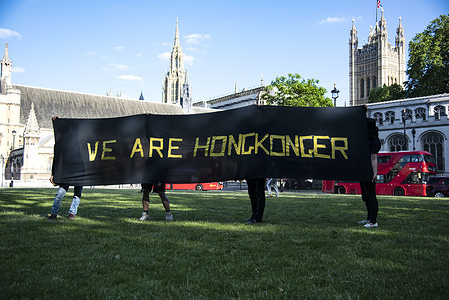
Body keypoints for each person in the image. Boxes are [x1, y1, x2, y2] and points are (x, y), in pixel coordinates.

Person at [358, 117, 381, 228]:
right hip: (364, 170)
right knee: (366, 196)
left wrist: (375, 173)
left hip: (369, 171)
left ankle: (373, 221)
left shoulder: (374, 141)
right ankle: (368, 218)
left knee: (371, 196)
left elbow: (374, 158)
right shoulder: (365, 140)